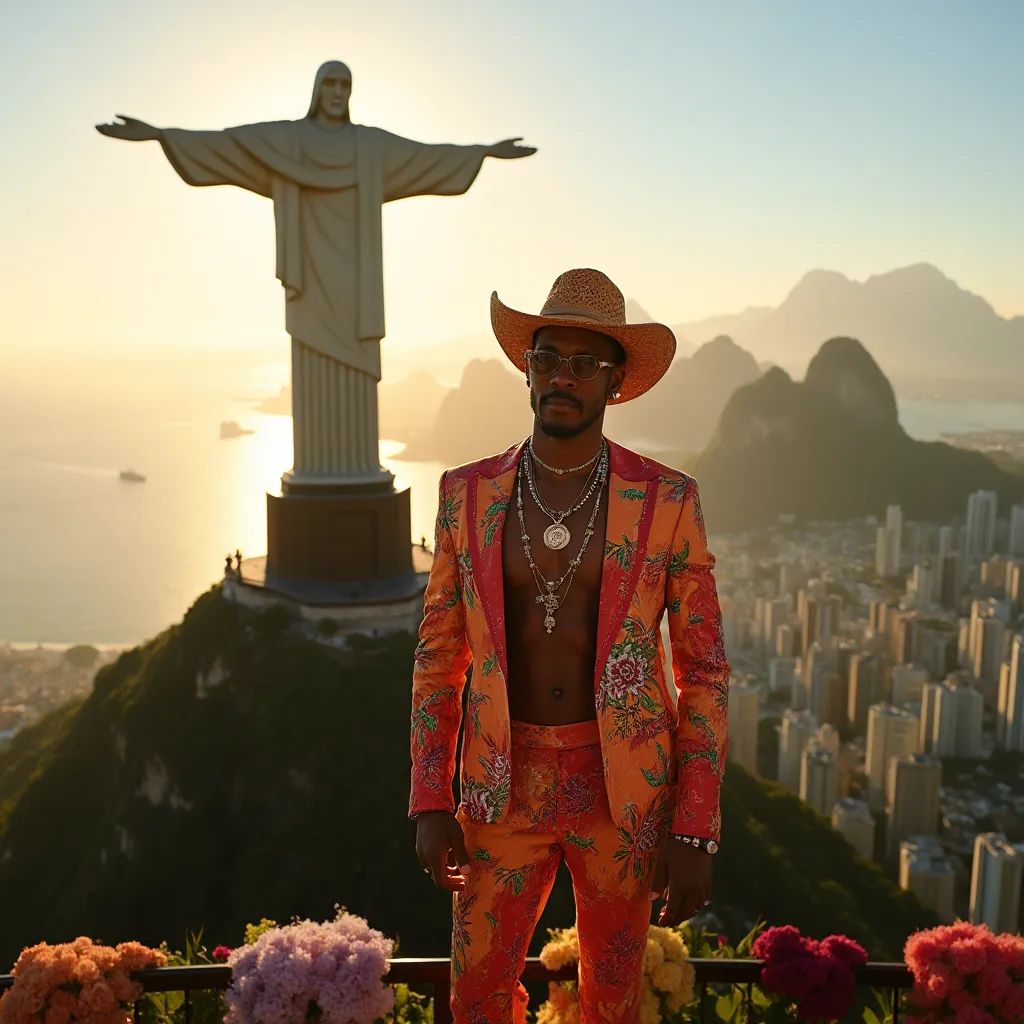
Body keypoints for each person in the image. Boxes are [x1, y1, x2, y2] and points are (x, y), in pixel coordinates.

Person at [409, 269, 730, 1024]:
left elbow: (705, 670)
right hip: (498, 783)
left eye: (586, 364)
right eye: (548, 357)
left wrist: (695, 826)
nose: (563, 377)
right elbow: (436, 658)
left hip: (625, 797)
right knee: (477, 995)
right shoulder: (468, 495)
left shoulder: (667, 501)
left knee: (612, 1001)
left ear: (615, 383)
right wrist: (429, 797)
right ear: (527, 369)